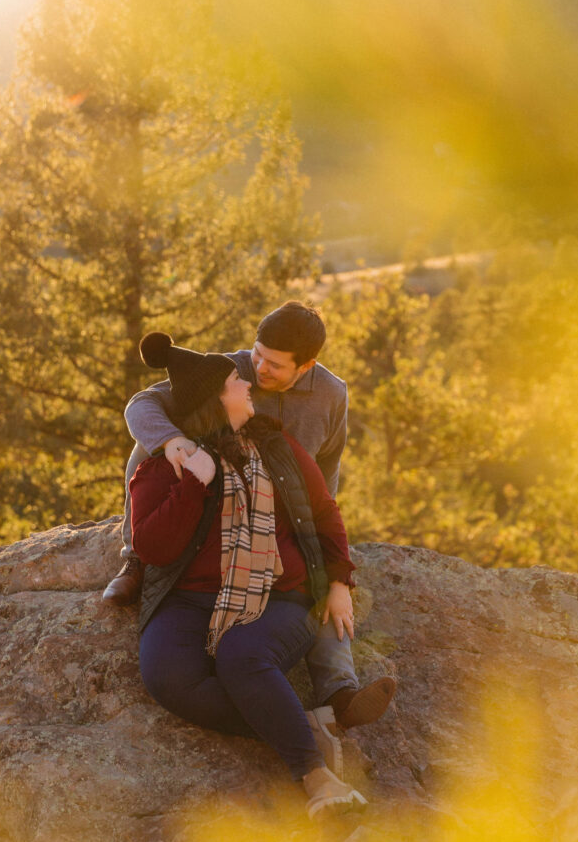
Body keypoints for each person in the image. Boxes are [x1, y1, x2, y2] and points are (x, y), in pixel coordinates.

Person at [106, 301, 396, 730]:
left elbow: (327, 467)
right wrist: (172, 442)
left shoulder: (331, 395)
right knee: (151, 437)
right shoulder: (229, 371)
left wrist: (324, 551)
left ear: (307, 364)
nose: (259, 368)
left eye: (275, 364)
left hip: (286, 510)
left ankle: (340, 694)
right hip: (214, 501)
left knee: (322, 584)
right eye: (257, 353)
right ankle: (135, 557)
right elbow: (141, 404)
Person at [130, 332, 367, 817]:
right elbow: (153, 547)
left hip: (280, 597)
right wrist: (196, 480)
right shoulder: (162, 466)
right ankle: (306, 724)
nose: (248, 386)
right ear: (218, 400)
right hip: (188, 598)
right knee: (168, 679)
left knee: (242, 656)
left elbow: (325, 514)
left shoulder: (277, 450)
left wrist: (339, 580)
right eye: (238, 381)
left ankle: (318, 780)